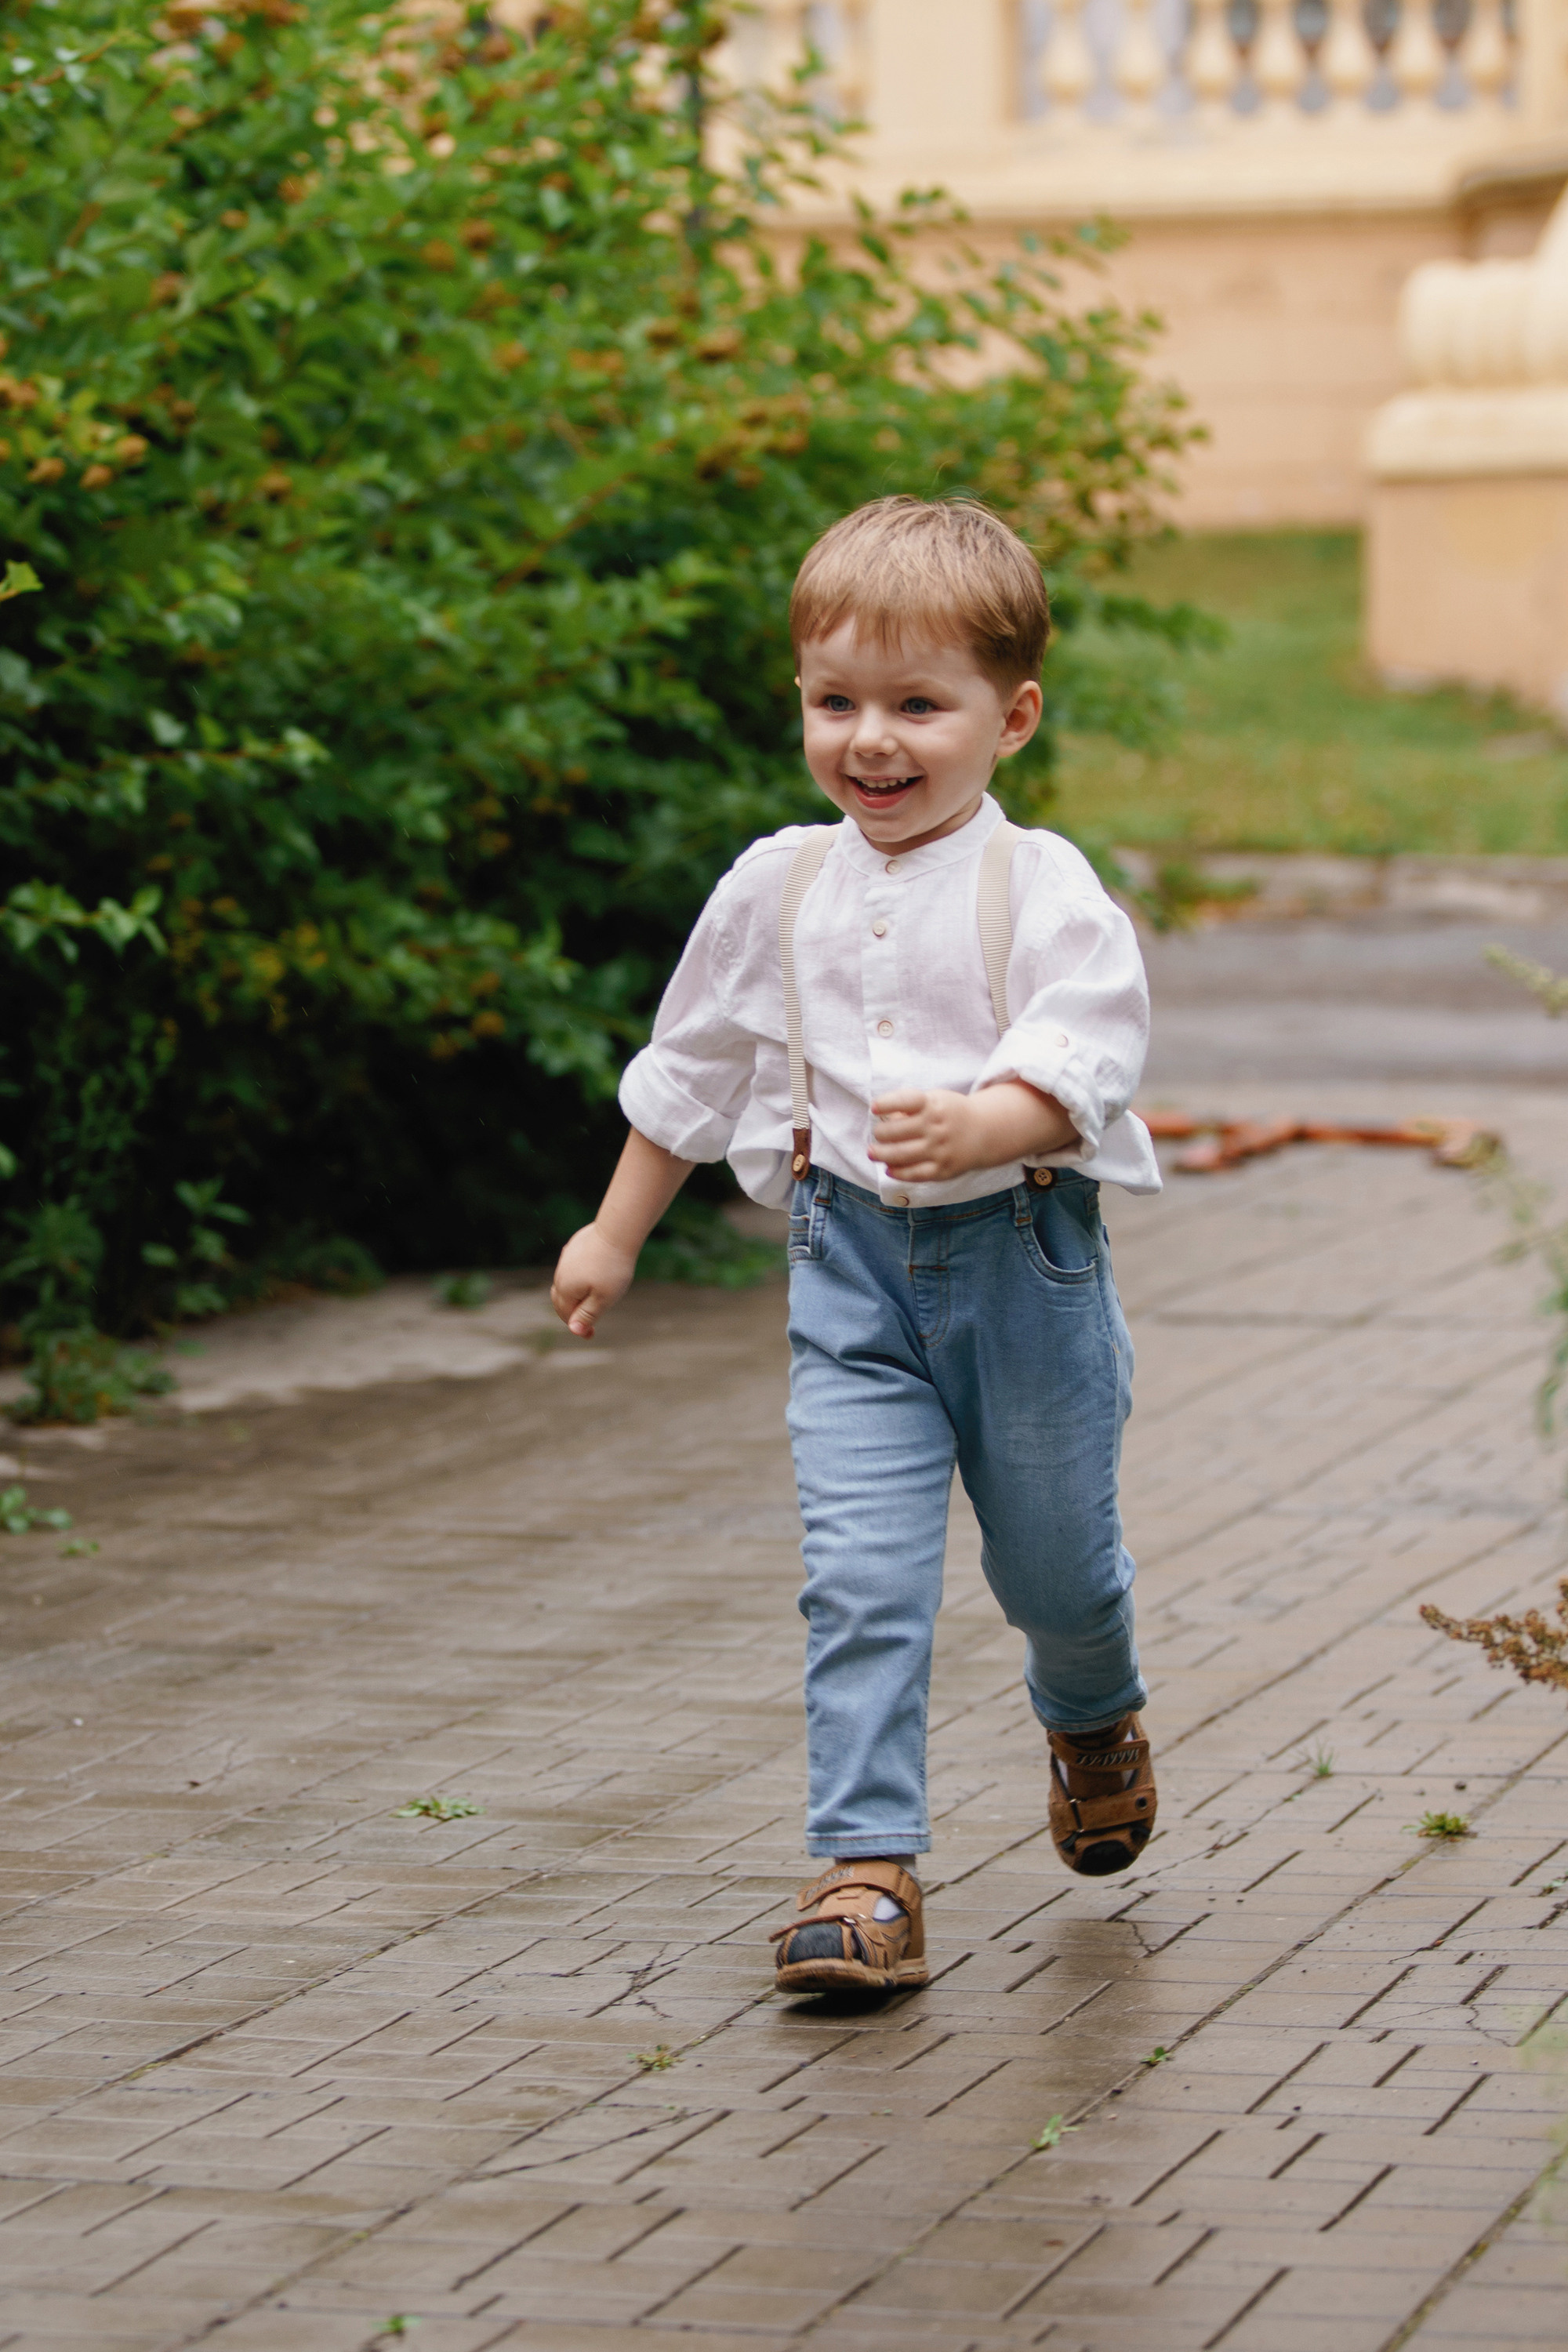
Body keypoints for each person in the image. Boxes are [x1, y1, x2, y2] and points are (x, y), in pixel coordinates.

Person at [550, 495, 1160, 1996]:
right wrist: (613, 1231)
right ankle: (866, 1872)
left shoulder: (1045, 885)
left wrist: (992, 1123)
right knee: (862, 1575)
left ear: (1010, 717)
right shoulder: (781, 884)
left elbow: (1093, 1050)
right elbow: (692, 1064)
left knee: (1058, 1573)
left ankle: (1093, 1716)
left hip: (1026, 1263)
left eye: (917, 705)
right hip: (849, 1272)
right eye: (837, 703)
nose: (871, 741)